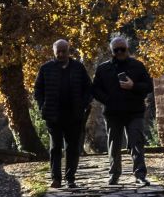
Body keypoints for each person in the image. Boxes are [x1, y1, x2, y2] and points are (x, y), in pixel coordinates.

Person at [92, 32, 155, 185]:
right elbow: (95, 90)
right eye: (116, 50)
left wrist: (134, 86)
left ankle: (140, 175)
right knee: (114, 145)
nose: (119, 52)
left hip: (135, 112)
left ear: (127, 49)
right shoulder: (103, 69)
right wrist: (108, 100)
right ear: (111, 52)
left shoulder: (138, 66)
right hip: (113, 113)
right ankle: (114, 174)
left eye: (122, 49)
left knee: (137, 143)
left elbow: (148, 86)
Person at [33, 38, 94, 189]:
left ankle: (70, 178)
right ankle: (56, 179)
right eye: (57, 52)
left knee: (72, 148)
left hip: (74, 115)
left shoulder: (78, 68)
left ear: (69, 51)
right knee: (55, 147)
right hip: (53, 115)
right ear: (54, 52)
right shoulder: (46, 68)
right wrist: (42, 105)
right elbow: (38, 90)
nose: (60, 54)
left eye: (63, 51)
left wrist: (84, 104)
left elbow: (89, 88)